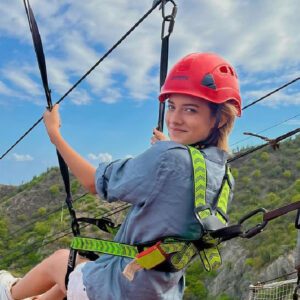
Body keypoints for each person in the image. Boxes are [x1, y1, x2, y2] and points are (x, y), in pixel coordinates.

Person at [0, 52, 241, 300]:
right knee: (75, 272)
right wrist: (173, 147)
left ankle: (8, 293)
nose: (175, 119)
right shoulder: (224, 177)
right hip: (160, 291)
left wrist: (55, 136)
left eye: (190, 110)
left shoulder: (169, 158)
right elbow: (181, 191)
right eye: (171, 106)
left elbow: (94, 183)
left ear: (220, 118)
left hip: (120, 288)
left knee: (59, 261)